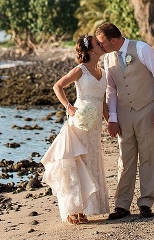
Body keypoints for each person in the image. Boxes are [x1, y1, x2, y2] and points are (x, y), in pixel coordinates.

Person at [94, 22, 154, 219]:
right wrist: (112, 118)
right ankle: (122, 205)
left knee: (148, 157)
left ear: (114, 40)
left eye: (102, 43)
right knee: (125, 160)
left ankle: (145, 203)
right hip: (123, 113)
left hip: (147, 109)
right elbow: (111, 90)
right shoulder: (108, 59)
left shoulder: (142, 49)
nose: (100, 47)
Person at [41, 35, 111, 224]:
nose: (102, 45)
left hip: (95, 126)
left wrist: (109, 121)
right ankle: (74, 210)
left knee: (91, 161)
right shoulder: (80, 70)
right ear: (90, 50)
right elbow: (58, 86)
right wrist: (68, 107)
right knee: (77, 163)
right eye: (98, 43)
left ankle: (85, 209)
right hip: (79, 123)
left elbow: (103, 101)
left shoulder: (103, 72)